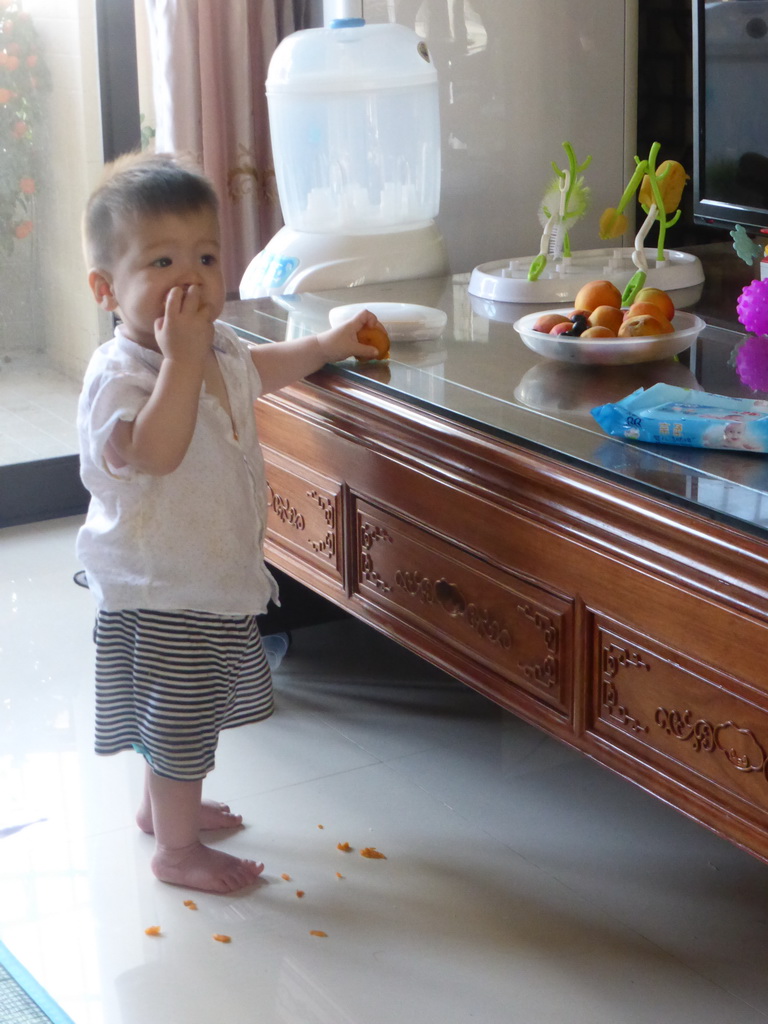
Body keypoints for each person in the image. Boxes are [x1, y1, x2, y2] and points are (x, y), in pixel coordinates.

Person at [76, 151, 382, 894]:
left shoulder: (213, 346)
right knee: (182, 724)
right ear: (106, 289)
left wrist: (327, 346)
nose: (191, 277)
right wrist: (181, 359)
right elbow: (157, 448)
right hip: (160, 588)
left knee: (182, 710)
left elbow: (259, 369)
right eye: (161, 261)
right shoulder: (121, 377)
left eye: (206, 256)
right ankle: (177, 854)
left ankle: (160, 811)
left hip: (203, 576)